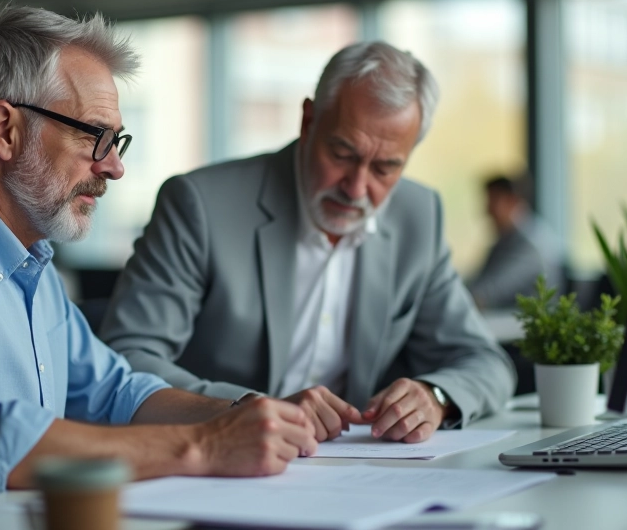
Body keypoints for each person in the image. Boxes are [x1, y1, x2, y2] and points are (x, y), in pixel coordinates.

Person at [0, 5, 318, 510]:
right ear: (5, 129)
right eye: (94, 136)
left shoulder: (29, 261)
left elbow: (117, 394)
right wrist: (206, 446)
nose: (114, 167)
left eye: (117, 141)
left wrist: (248, 413)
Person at [100, 41, 516, 446]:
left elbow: (486, 364)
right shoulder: (201, 205)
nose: (356, 188)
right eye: (342, 153)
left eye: (385, 168)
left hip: (357, 473)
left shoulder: (417, 215)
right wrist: (247, 407)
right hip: (219, 459)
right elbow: (128, 356)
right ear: (307, 120)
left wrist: (436, 396)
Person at [467, 174, 564, 310]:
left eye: (493, 202)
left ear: (512, 201)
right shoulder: (505, 241)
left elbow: (486, 294)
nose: (487, 211)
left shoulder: (529, 245)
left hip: (521, 325)